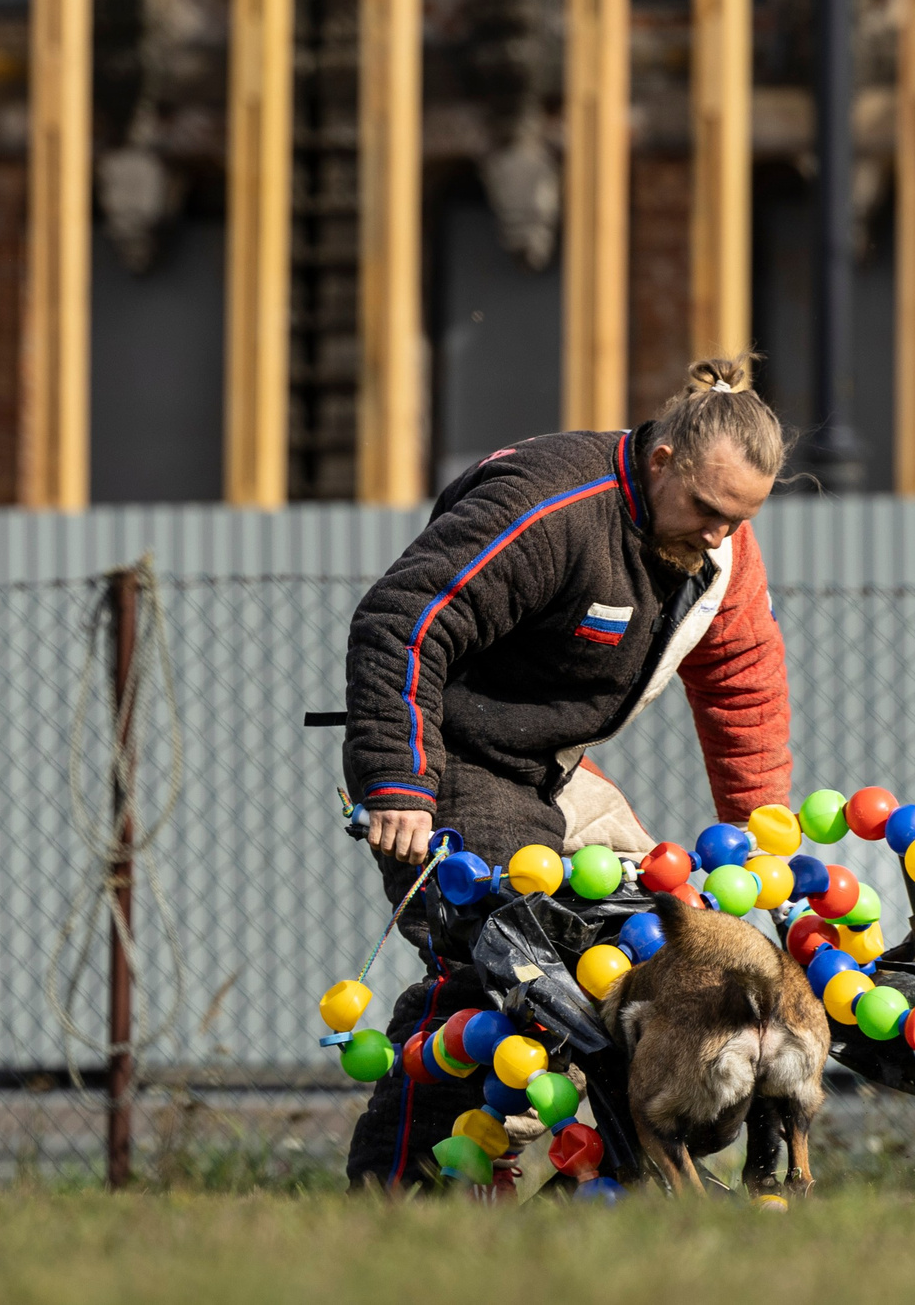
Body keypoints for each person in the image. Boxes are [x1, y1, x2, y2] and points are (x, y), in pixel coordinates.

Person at [337, 354, 795, 1187]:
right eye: (706, 509)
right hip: (451, 757)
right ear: (661, 461)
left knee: (655, 957)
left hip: (552, 774)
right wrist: (397, 783)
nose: (720, 535)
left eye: (741, 518)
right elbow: (402, 622)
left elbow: (740, 682)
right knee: (505, 966)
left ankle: (609, 1180)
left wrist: (765, 840)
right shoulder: (552, 508)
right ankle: (398, 1191)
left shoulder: (719, 551)